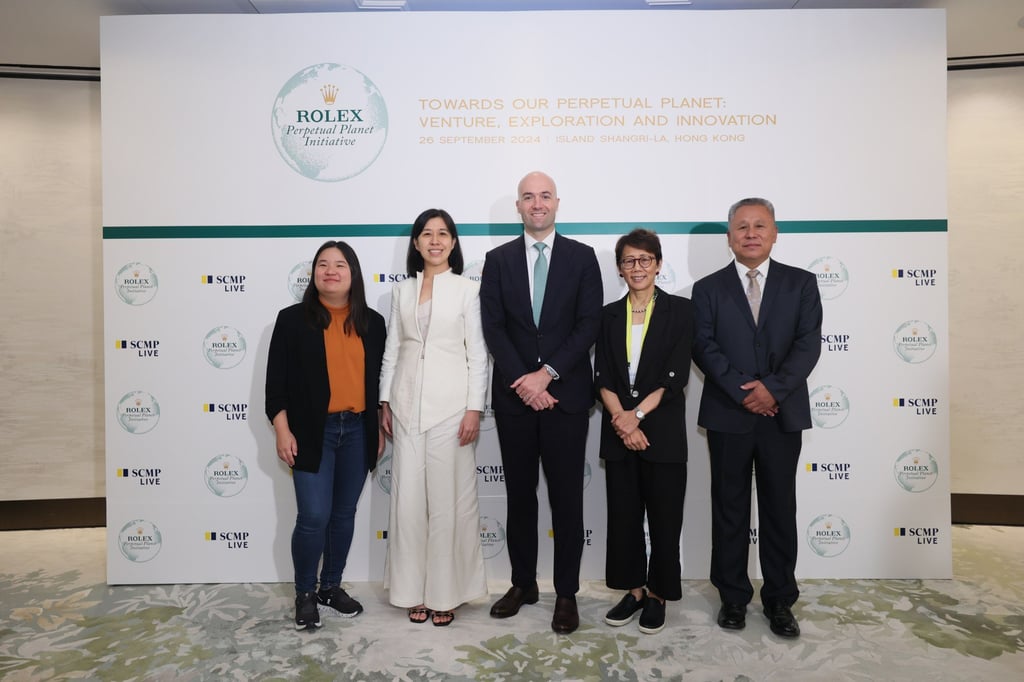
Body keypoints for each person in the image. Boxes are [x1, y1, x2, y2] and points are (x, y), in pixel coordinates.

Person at [691, 198, 822, 639]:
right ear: (729, 237)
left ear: (774, 232)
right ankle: (732, 597)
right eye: (742, 226)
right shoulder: (707, 288)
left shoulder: (801, 283)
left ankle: (780, 600)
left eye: (759, 226)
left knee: (779, 509)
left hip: (781, 414)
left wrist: (773, 390)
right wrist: (745, 391)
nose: (750, 233)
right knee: (729, 509)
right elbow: (704, 347)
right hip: (730, 413)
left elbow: (807, 345)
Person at [480, 171, 603, 635]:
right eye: (528, 197)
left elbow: (588, 324)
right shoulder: (496, 260)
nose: (537, 204)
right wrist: (524, 381)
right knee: (519, 497)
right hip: (516, 402)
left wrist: (546, 374)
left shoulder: (582, 258)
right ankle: (522, 583)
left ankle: (566, 592)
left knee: (567, 499)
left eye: (545, 196)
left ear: (557, 203)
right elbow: (494, 329)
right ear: (518, 206)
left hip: (564, 399)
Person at [265, 240, 387, 631]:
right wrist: (282, 430)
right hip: (311, 432)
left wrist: (380, 424)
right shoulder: (291, 320)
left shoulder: (373, 322)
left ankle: (330, 587)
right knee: (313, 516)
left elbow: (381, 382)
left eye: (340, 264)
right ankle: (304, 593)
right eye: (323, 264)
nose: (330, 270)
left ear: (353, 274)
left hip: (357, 431)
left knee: (343, 515)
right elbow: (276, 386)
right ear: (314, 274)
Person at [379, 208, 489, 627]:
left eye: (443, 234)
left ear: (454, 243)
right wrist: (384, 402)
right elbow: (393, 350)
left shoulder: (466, 290)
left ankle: (445, 593)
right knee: (407, 504)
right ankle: (411, 591)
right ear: (416, 243)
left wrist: (475, 407)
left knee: (447, 505)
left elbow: (478, 354)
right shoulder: (402, 293)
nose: (435, 241)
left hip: (451, 409)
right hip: (405, 409)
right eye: (427, 234)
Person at [594, 228, 694, 635]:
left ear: (658, 263)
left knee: (665, 521)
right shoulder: (607, 315)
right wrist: (623, 419)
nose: (637, 267)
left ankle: (658, 595)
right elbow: (601, 374)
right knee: (623, 518)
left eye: (645, 259)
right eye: (629, 261)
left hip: (662, 432)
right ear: (620, 268)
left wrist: (636, 415)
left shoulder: (682, 311)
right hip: (620, 433)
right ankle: (634, 591)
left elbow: (677, 375)